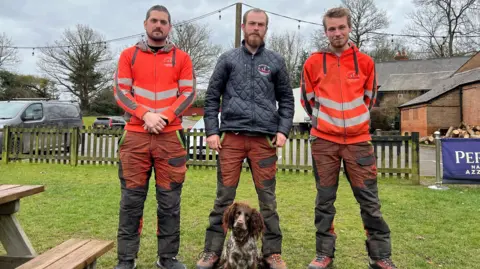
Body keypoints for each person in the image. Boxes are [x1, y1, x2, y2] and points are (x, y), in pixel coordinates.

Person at [195, 8, 294, 269]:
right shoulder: (227, 59)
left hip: (264, 141)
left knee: (268, 202)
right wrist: (212, 131)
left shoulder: (276, 61)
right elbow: (210, 98)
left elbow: (286, 99)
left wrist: (283, 130)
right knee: (223, 199)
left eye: (261, 25)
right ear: (243, 26)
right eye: (252, 24)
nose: (256, 28)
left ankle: (272, 252)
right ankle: (212, 251)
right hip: (232, 140)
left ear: (266, 28)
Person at [301, 7, 397, 269]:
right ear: (325, 32)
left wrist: (354, 123)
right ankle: (324, 254)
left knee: (370, 201)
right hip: (323, 142)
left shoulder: (366, 62)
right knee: (324, 200)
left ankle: (380, 256)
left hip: (358, 141)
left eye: (341, 27)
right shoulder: (312, 63)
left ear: (349, 28)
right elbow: (307, 100)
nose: (337, 33)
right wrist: (326, 123)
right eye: (331, 29)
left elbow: (370, 99)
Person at [112, 5, 196, 269]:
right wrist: (145, 114)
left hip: (170, 137)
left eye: (163, 22)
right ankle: (126, 259)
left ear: (169, 27)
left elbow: (189, 93)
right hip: (135, 136)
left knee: (169, 202)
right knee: (131, 202)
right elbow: (120, 91)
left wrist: (165, 117)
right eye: (154, 21)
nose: (158, 25)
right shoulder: (128, 55)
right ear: (146, 24)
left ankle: (167, 258)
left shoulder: (183, 58)